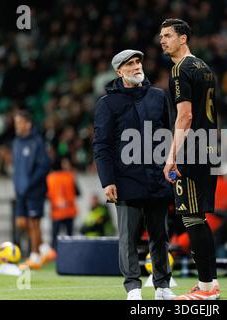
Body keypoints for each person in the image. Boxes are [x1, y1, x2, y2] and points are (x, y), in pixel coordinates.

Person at [93, 49, 175, 300]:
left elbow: (171, 134)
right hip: (126, 179)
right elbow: (102, 145)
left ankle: (162, 285)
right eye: (130, 64)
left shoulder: (158, 96)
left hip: (157, 177)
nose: (137, 66)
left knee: (160, 236)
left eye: (138, 62)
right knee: (128, 238)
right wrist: (107, 181)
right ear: (119, 72)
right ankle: (133, 287)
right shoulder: (107, 103)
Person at [160, 18, 220, 300]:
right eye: (161, 36)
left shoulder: (179, 69)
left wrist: (171, 156)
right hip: (211, 146)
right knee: (198, 217)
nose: (163, 40)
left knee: (192, 217)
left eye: (169, 35)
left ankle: (207, 288)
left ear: (183, 38)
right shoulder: (204, 67)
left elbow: (185, 116)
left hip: (192, 148)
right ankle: (209, 284)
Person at [12, 110, 53, 269]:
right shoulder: (16, 142)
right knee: (21, 222)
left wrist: (30, 183)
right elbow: (17, 168)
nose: (17, 126)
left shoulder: (37, 142)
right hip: (21, 190)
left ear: (28, 124)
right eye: (16, 123)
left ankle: (35, 256)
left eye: (19, 123)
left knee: (34, 222)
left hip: (35, 189)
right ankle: (44, 248)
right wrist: (18, 185)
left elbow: (44, 166)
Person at [46, 157, 79, 251]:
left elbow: (47, 194)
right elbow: (77, 192)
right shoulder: (70, 176)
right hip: (69, 211)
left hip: (56, 212)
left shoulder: (50, 177)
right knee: (69, 237)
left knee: (54, 237)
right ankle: (70, 253)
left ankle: (54, 254)